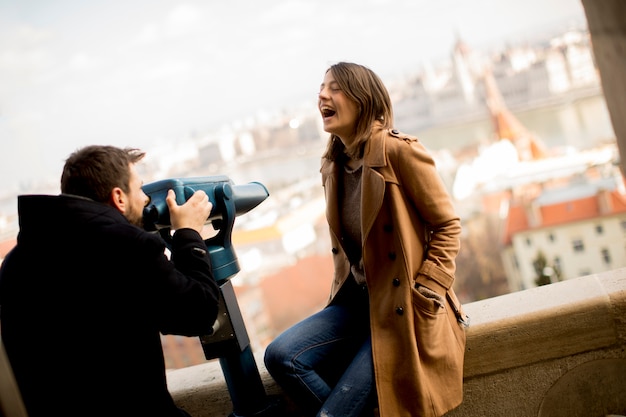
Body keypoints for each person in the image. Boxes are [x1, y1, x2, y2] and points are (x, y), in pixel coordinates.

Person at [264, 62, 469, 417]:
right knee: (281, 356)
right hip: (355, 305)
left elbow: (448, 225)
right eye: (321, 88)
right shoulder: (332, 166)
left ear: (363, 99)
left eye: (335, 88)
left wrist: (427, 290)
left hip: (400, 307)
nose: (322, 95)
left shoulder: (399, 152)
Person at [0, 145, 220, 417]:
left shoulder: (15, 263)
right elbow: (198, 312)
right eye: (139, 189)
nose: (145, 199)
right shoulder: (126, 248)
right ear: (119, 197)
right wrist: (188, 233)